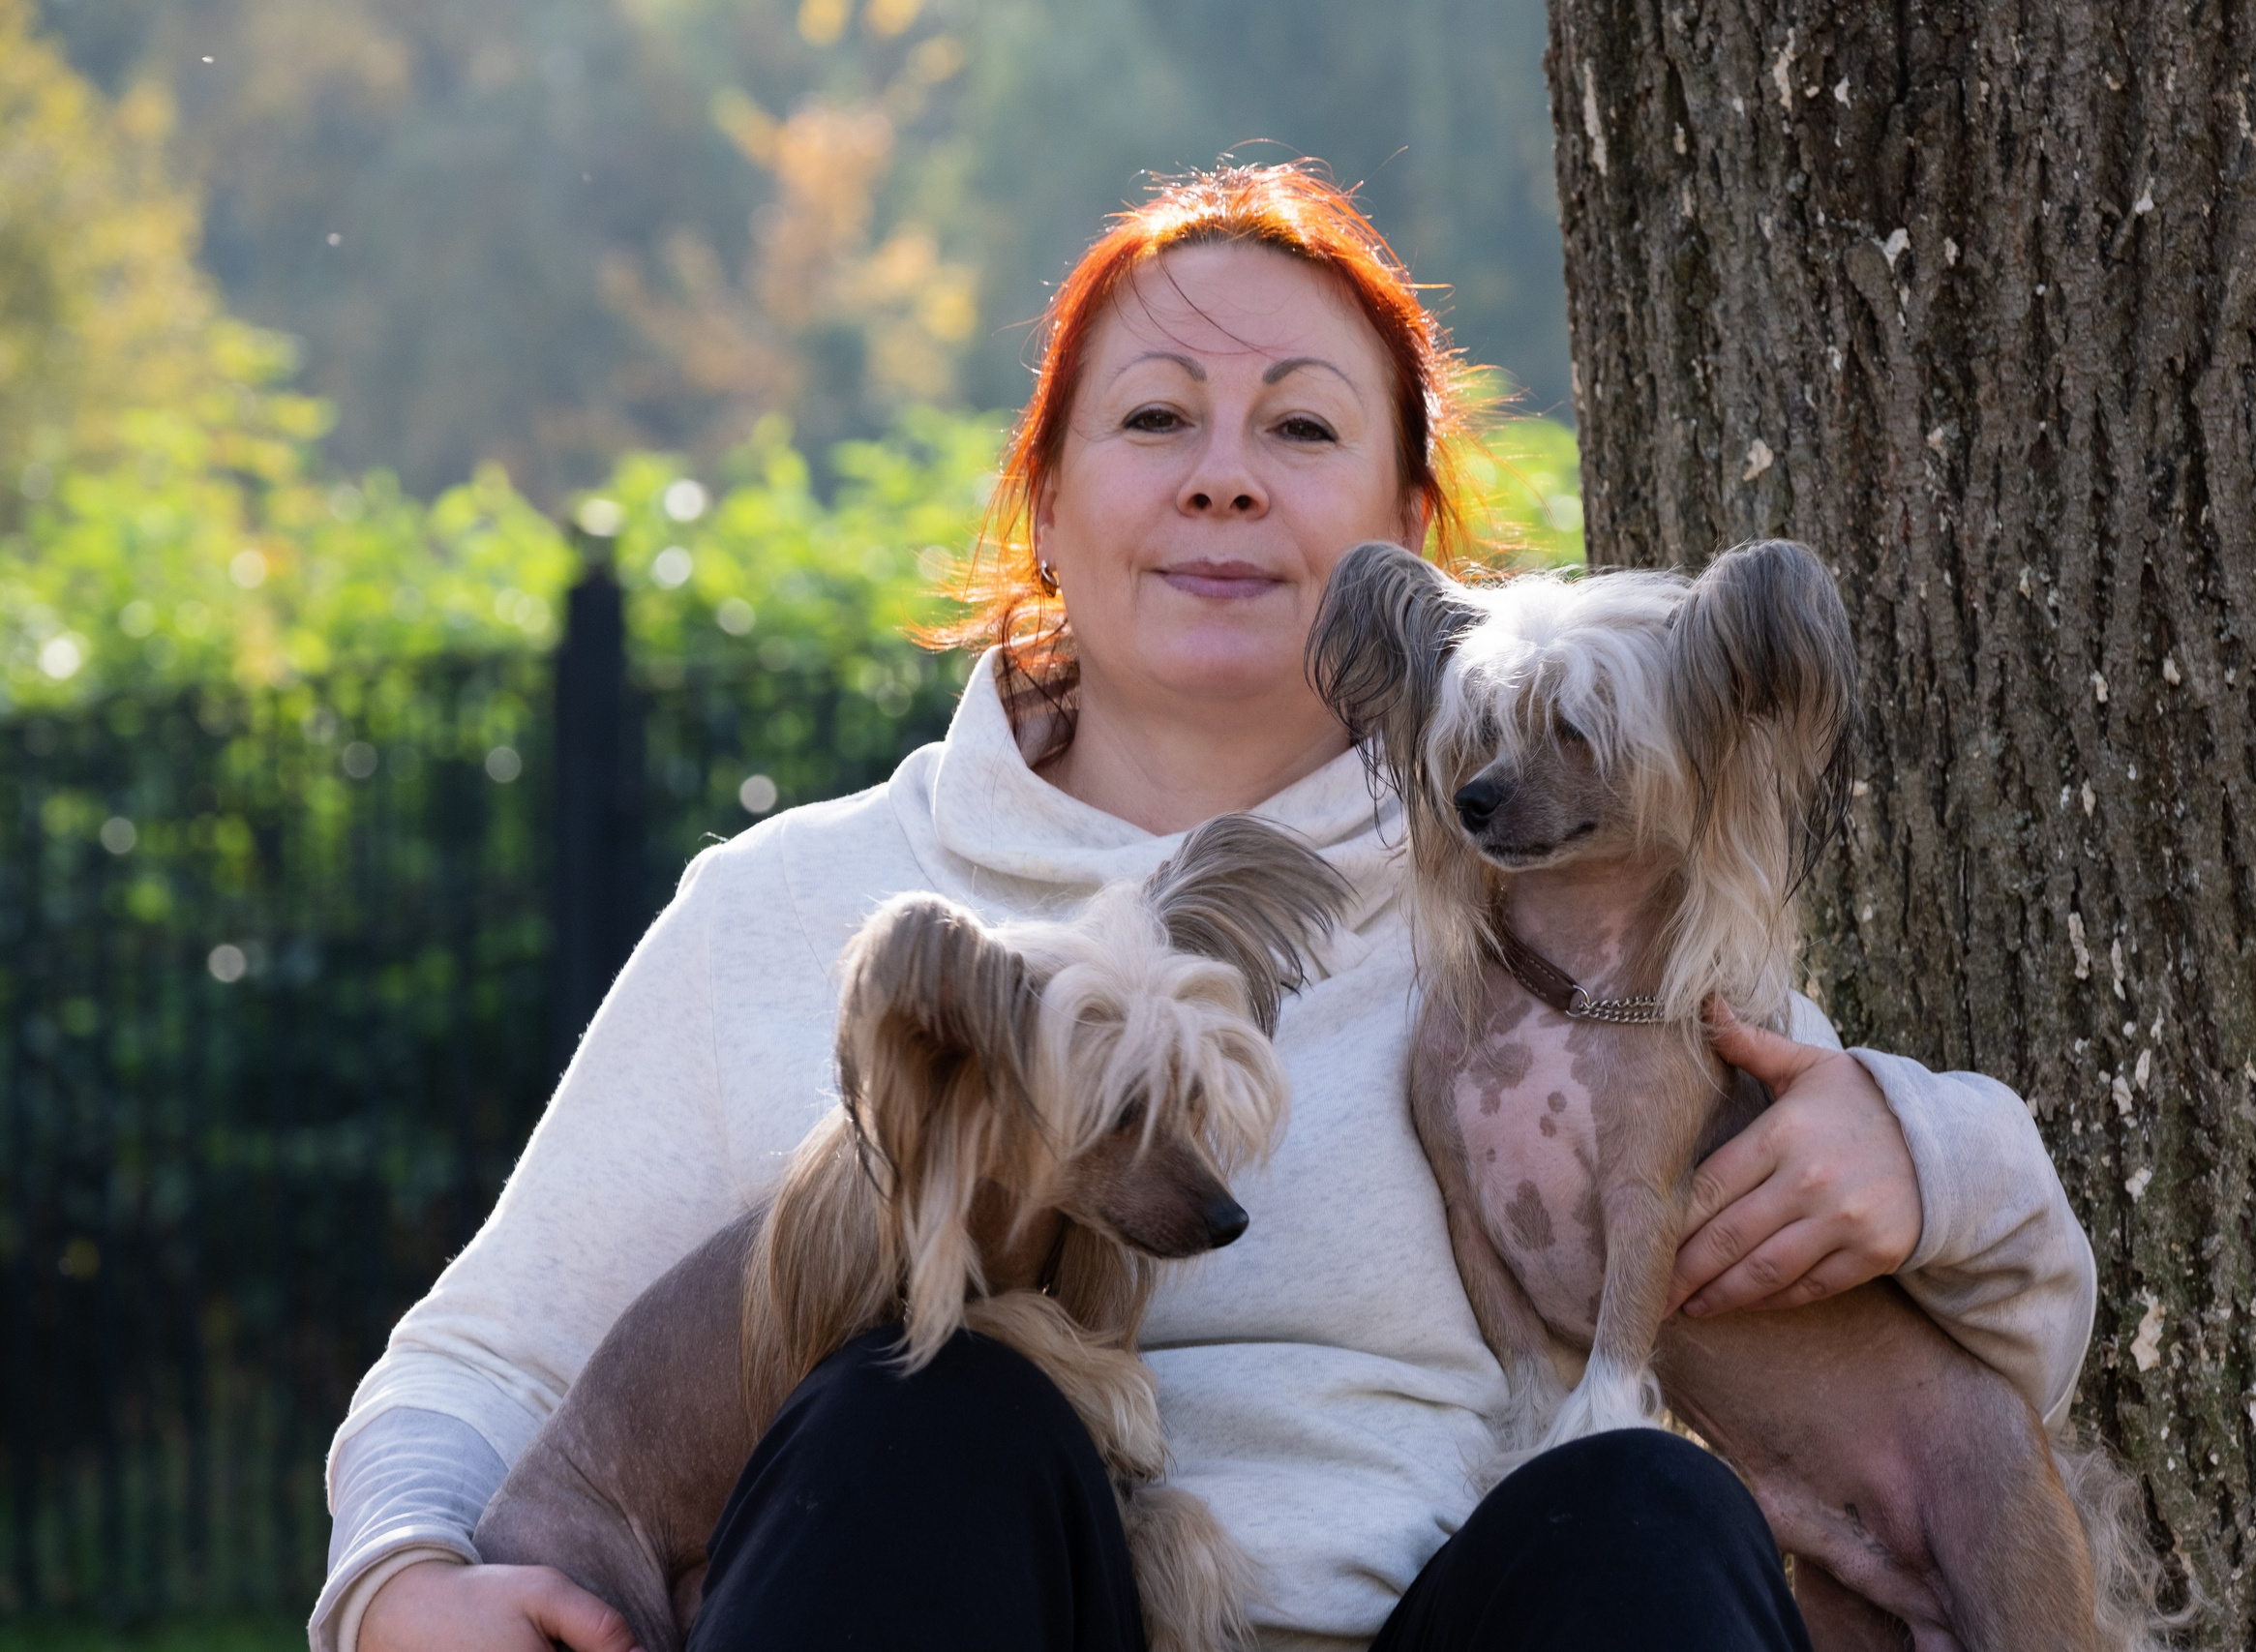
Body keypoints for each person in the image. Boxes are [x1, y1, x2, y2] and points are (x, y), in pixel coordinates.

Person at [316, 165, 2095, 1652]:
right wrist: (405, 1588)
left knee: (1643, 1510)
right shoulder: (794, 906)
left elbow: (1996, 1354)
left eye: (1300, 427)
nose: (1224, 472)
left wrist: (1926, 1154)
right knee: (925, 1408)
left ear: (1409, 528)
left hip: (1450, 1620)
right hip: (976, 1598)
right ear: (1048, 506)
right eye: (1157, 418)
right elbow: (477, 1365)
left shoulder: (1556, 896)